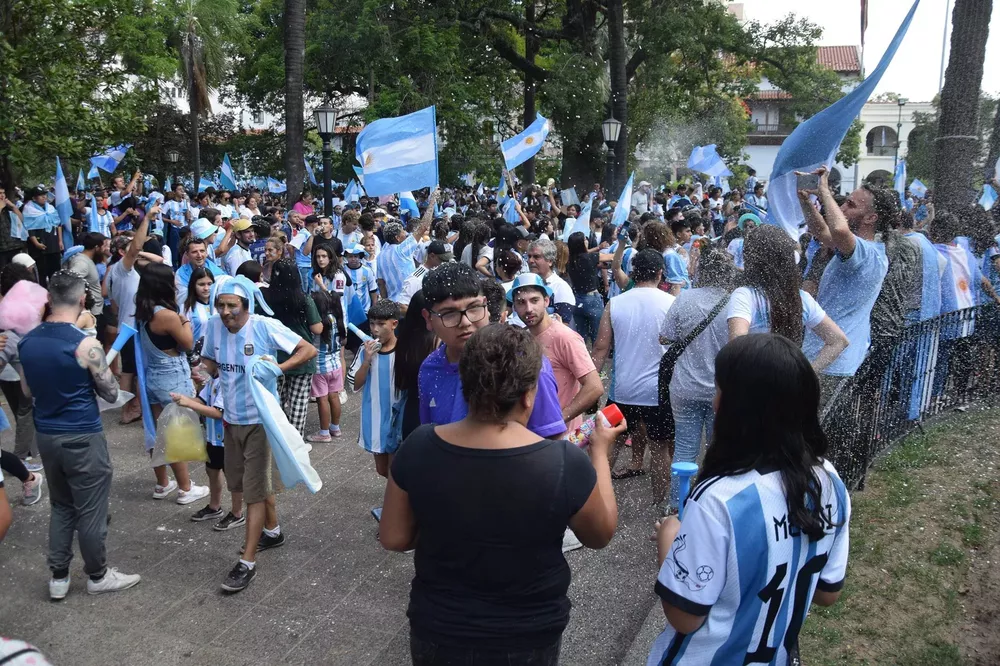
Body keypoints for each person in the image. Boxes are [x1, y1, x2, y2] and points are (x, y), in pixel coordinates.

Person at [381, 323, 624, 665]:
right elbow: (600, 534)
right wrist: (599, 452)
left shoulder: (420, 445)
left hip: (439, 627)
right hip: (526, 633)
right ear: (528, 394)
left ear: (465, 385)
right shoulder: (561, 462)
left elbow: (393, 537)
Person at [647, 334, 850, 665]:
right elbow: (828, 592)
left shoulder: (719, 500)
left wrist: (670, 537)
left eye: (719, 390)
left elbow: (685, 617)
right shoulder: (829, 482)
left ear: (737, 408)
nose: (714, 401)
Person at [18, 270, 142, 598]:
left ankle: (58, 577)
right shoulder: (86, 344)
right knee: (90, 508)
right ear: (82, 299)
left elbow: (27, 392)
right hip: (82, 434)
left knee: (61, 505)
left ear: (50, 298)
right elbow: (112, 392)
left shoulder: (28, 340)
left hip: (47, 434)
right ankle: (97, 575)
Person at [200, 276, 317, 593]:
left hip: (260, 421)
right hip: (231, 421)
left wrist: (278, 369)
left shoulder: (264, 326)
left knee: (251, 492)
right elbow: (210, 359)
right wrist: (205, 371)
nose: (225, 312)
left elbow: (308, 349)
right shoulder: (213, 326)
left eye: (232, 306)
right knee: (246, 482)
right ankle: (273, 532)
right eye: (220, 305)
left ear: (246, 306)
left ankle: (247, 563)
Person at [418, 263, 567, 441]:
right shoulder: (430, 369)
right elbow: (430, 437)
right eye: (449, 313)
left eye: (473, 308)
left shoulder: (524, 362)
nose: (465, 322)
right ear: (428, 319)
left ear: (486, 306)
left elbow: (551, 442)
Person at [591, 249, 675, 500]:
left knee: (610, 442)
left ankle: (594, 499)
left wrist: (590, 385)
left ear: (633, 273)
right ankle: (660, 505)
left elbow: (600, 348)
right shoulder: (671, 303)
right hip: (657, 392)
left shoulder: (615, 303)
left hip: (622, 389)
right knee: (660, 450)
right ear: (660, 273)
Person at [798, 167, 889, 395]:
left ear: (871, 218)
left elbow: (838, 229)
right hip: (828, 357)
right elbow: (821, 231)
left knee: (808, 429)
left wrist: (825, 192)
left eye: (851, 204)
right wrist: (806, 201)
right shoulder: (861, 249)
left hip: (831, 363)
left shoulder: (867, 253)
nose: (842, 208)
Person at [660, 242, 736, 513]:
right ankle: (712, 509)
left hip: (685, 387)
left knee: (684, 451)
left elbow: (664, 336)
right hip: (722, 392)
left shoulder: (685, 299)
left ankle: (676, 508)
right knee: (718, 452)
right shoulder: (736, 303)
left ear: (702, 270)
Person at [135, 262, 211, 504]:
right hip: (172, 378)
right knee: (176, 434)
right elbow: (188, 343)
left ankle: (162, 483)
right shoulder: (167, 315)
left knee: (157, 432)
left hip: (153, 376)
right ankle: (186, 488)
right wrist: (185, 321)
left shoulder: (143, 311)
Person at [727, 224, 849, 373]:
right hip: (788, 387)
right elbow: (839, 341)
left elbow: (736, 346)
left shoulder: (744, 296)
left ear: (752, 259)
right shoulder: (802, 299)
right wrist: (808, 374)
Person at [509, 273, 603, 435]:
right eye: (521, 303)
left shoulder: (565, 337)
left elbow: (594, 387)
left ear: (546, 301)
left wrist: (558, 420)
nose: (529, 309)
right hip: (531, 436)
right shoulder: (522, 338)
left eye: (534, 300)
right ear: (514, 307)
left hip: (561, 440)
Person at [347, 300, 403, 520]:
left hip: (397, 418)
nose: (375, 329)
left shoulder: (404, 348)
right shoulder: (365, 349)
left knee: (395, 470)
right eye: (372, 324)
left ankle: (396, 513)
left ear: (394, 324)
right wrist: (367, 361)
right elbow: (355, 384)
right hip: (374, 418)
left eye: (381, 324)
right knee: (382, 469)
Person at [262, 259, 323, 436]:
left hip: (275, 358)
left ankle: (277, 438)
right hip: (302, 358)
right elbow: (317, 328)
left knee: (276, 401)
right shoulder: (304, 299)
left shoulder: (266, 297)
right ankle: (295, 441)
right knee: (298, 403)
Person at [392, 290, 437, 443]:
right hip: (435, 410)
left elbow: (401, 382)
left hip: (411, 409)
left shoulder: (404, 337)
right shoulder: (439, 341)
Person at [305, 289, 346, 443]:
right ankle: (335, 427)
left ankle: (324, 433)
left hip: (320, 366)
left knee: (322, 399)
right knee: (334, 396)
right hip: (335, 364)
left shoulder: (317, 323)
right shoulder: (335, 318)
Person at [565, 232, 603, 345]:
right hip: (592, 299)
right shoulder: (590, 257)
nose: (587, 241)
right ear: (581, 243)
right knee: (597, 337)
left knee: (580, 338)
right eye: (585, 239)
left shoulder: (570, 261)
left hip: (577, 300)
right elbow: (611, 257)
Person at [528, 238, 576, 325]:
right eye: (529, 256)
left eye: (536, 257)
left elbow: (562, 325)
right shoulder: (525, 283)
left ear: (550, 261)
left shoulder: (561, 287)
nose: (530, 261)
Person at [397, 240, 451, 315]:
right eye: (443, 260)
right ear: (432, 256)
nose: (447, 263)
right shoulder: (416, 279)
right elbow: (402, 307)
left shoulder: (444, 273)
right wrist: (426, 317)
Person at [342, 243, 380, 351]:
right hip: (348, 311)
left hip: (364, 312)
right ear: (346, 257)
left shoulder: (367, 271)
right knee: (350, 342)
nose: (353, 259)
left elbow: (373, 291)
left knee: (363, 340)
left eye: (356, 256)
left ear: (360, 257)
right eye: (350, 256)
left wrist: (374, 308)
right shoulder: (342, 271)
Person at [64, 232, 109, 320]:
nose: (105, 249)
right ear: (96, 247)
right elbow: (69, 282)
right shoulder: (82, 263)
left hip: (95, 310)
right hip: (91, 313)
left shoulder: (86, 259)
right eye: (103, 246)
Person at [174, 234, 226, 307]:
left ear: (206, 252)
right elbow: (181, 299)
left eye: (202, 251)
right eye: (194, 252)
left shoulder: (217, 271)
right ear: (187, 255)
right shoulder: (181, 273)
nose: (199, 255)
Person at [0, 186, 26, 272]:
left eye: (3, 193)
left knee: (17, 273)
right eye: (0, 193)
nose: (2, 196)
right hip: (2, 249)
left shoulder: (8, 208)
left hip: (15, 245)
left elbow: (22, 220)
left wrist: (14, 207)